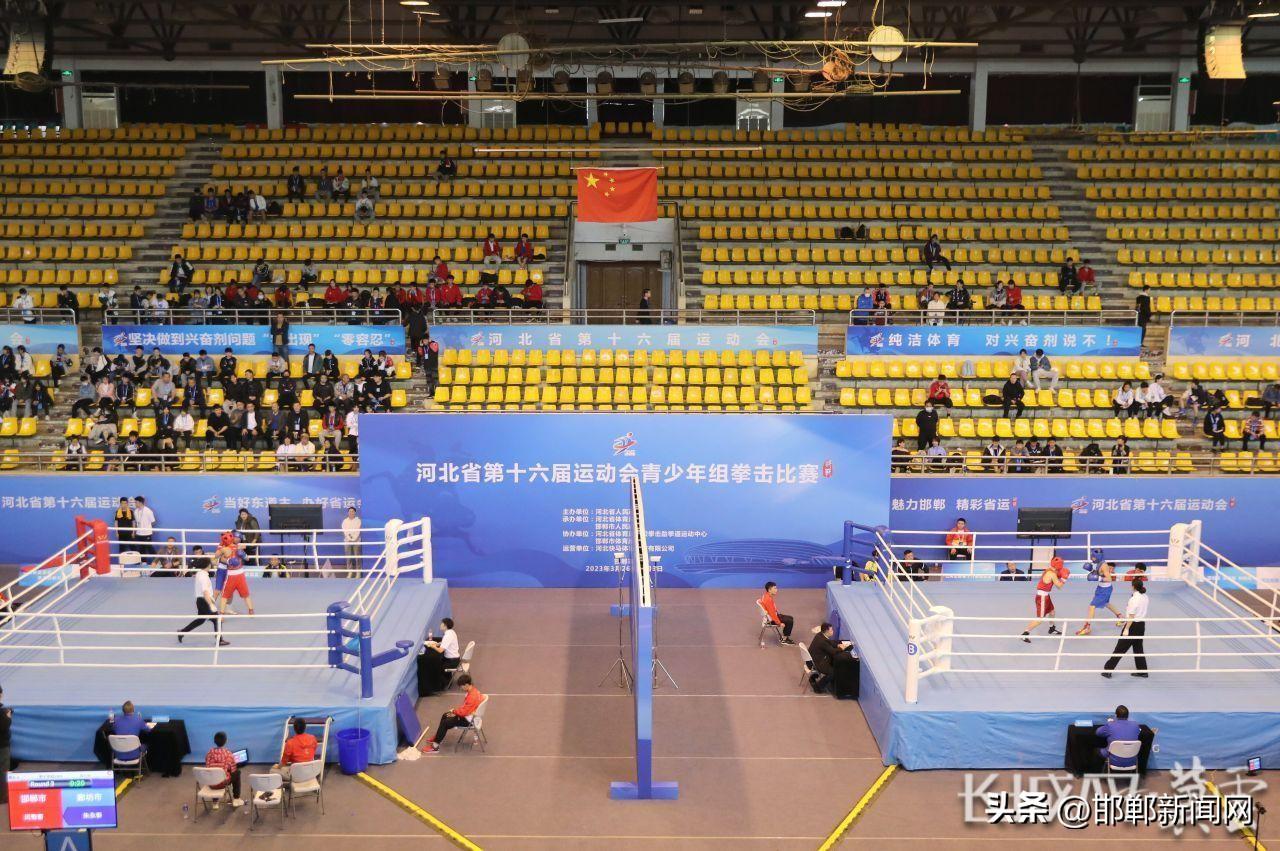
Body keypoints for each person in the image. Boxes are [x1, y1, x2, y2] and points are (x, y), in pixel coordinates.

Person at [1102, 578, 1149, 678]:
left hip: (1132, 626)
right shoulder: (1145, 596)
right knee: (1138, 649)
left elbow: (1131, 616)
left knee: (1120, 648)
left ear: (1133, 586)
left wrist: (1126, 628)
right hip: (1141, 625)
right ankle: (1142, 671)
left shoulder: (1134, 599)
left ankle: (1108, 670)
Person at [425, 674, 485, 752]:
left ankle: (435, 747)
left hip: (468, 720)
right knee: (445, 715)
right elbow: (465, 708)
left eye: (461, 686)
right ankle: (438, 737)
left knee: (445, 723)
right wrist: (455, 712)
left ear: (466, 685)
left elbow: (464, 712)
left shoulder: (472, 697)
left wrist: (454, 711)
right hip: (470, 716)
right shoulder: (475, 691)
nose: (461, 688)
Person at [177, 558, 228, 645]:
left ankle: (182, 632)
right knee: (217, 619)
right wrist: (211, 604)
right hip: (205, 601)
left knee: (200, 620)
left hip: (200, 601)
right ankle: (219, 640)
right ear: (208, 565)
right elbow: (205, 592)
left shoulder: (200, 573)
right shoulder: (204, 577)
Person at [1020, 555, 1068, 642]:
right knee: (1040, 619)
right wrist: (1064, 578)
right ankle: (1025, 633)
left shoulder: (1050, 570)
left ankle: (1052, 628)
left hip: (1046, 596)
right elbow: (1059, 586)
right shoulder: (1052, 574)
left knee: (1052, 612)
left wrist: (1060, 575)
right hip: (1042, 597)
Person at [1076, 561, 1124, 636]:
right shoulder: (1102, 567)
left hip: (1105, 590)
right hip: (1101, 588)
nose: (1110, 570)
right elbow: (1098, 574)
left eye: (1112, 569)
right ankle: (1121, 617)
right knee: (1106, 603)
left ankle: (1087, 627)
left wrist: (1098, 577)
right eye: (1109, 568)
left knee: (1092, 606)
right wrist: (1092, 570)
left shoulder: (1108, 573)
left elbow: (1108, 579)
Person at [807, 622, 855, 693]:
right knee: (833, 672)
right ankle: (818, 687)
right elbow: (832, 652)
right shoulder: (823, 642)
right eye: (831, 630)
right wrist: (841, 648)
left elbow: (830, 642)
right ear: (826, 631)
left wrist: (838, 645)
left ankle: (814, 677)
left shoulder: (820, 635)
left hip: (812, 659)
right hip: (817, 662)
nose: (833, 631)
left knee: (832, 661)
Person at [419, 617, 461, 696]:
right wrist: (438, 643)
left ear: (445, 626)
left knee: (435, 667)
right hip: (454, 658)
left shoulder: (448, 635)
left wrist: (432, 646)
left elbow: (440, 650)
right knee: (438, 662)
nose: (440, 625)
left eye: (441, 624)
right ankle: (446, 681)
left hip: (452, 662)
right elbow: (445, 642)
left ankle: (437, 688)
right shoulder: (451, 632)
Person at [271, 718, 318, 785]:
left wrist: (278, 767)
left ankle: (281, 787)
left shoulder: (290, 743)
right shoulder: (313, 738)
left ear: (294, 729)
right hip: (310, 773)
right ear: (305, 727)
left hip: (296, 775)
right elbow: (313, 750)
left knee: (272, 770)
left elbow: (284, 761)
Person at [204, 731, 244, 807]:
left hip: (211, 783)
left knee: (213, 773)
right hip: (223, 783)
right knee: (237, 772)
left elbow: (208, 766)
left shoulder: (209, 753)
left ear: (214, 741)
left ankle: (215, 802)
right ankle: (236, 799)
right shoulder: (228, 754)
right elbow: (233, 770)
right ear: (226, 741)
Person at [1097, 705, 1142, 769]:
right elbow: (1138, 732)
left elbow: (1098, 732)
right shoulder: (1135, 725)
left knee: (1096, 750)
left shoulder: (1110, 725)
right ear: (1128, 716)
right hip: (1132, 760)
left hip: (1114, 760)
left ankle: (1097, 771)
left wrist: (1109, 723)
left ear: (1116, 715)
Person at [759, 581, 795, 645]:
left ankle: (785, 637)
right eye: (775, 588)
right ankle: (784, 640)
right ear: (769, 590)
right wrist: (779, 623)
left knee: (790, 618)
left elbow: (772, 612)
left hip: (772, 616)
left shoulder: (766, 595)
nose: (776, 590)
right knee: (790, 621)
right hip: (771, 620)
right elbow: (772, 614)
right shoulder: (768, 600)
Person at [342, 506, 362, 576]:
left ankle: (358, 572)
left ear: (355, 512)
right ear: (348, 512)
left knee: (357, 557)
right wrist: (350, 538)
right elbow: (345, 531)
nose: (351, 513)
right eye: (350, 511)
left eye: (352, 511)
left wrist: (354, 538)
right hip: (347, 541)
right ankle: (350, 571)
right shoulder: (345, 521)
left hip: (356, 540)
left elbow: (357, 531)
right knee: (348, 557)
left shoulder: (358, 520)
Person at [0, 683, 10, 804]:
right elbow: (4, 726)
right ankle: (2, 798)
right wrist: (8, 717)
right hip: (2, 747)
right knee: (3, 772)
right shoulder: (2, 713)